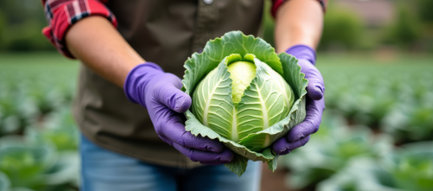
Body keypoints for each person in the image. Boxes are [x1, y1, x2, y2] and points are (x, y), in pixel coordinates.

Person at [41, 0, 326, 190]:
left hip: (236, 148)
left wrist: (299, 51)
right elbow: (70, 7)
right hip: (121, 134)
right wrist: (140, 80)